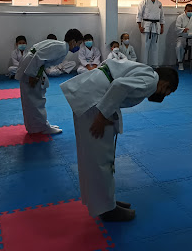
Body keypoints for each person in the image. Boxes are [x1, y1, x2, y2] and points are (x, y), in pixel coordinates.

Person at [60, 60, 179, 221]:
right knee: (101, 160)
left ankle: (105, 202)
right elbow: (119, 86)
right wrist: (101, 117)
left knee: (94, 158)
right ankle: (107, 209)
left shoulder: (145, 70)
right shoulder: (151, 81)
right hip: (94, 102)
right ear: (165, 83)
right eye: (166, 92)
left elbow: (112, 67)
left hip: (91, 96)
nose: (162, 96)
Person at [16, 29, 83, 134]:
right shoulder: (61, 48)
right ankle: (41, 127)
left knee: (32, 99)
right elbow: (38, 56)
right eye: (79, 44)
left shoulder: (60, 45)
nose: (78, 47)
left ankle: (37, 126)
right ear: (73, 41)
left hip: (33, 66)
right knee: (35, 99)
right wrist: (32, 75)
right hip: (31, 68)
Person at [136, 0, 164, 67]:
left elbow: (162, 16)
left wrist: (162, 27)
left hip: (156, 26)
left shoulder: (159, 3)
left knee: (155, 46)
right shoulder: (143, 2)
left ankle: (154, 64)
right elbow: (139, 14)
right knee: (145, 46)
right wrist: (139, 26)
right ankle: (144, 65)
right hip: (146, 26)